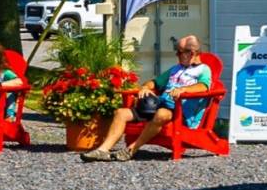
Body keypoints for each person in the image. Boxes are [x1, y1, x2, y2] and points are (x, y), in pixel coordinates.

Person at [81, 35, 215, 161]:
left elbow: (204, 86)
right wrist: (145, 88)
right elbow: (155, 82)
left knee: (161, 114)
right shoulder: (175, 69)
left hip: (180, 112)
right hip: (159, 105)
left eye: (179, 52)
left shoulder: (204, 69)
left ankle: (131, 150)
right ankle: (102, 150)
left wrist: (184, 89)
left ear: (191, 53)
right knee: (121, 113)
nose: (177, 55)